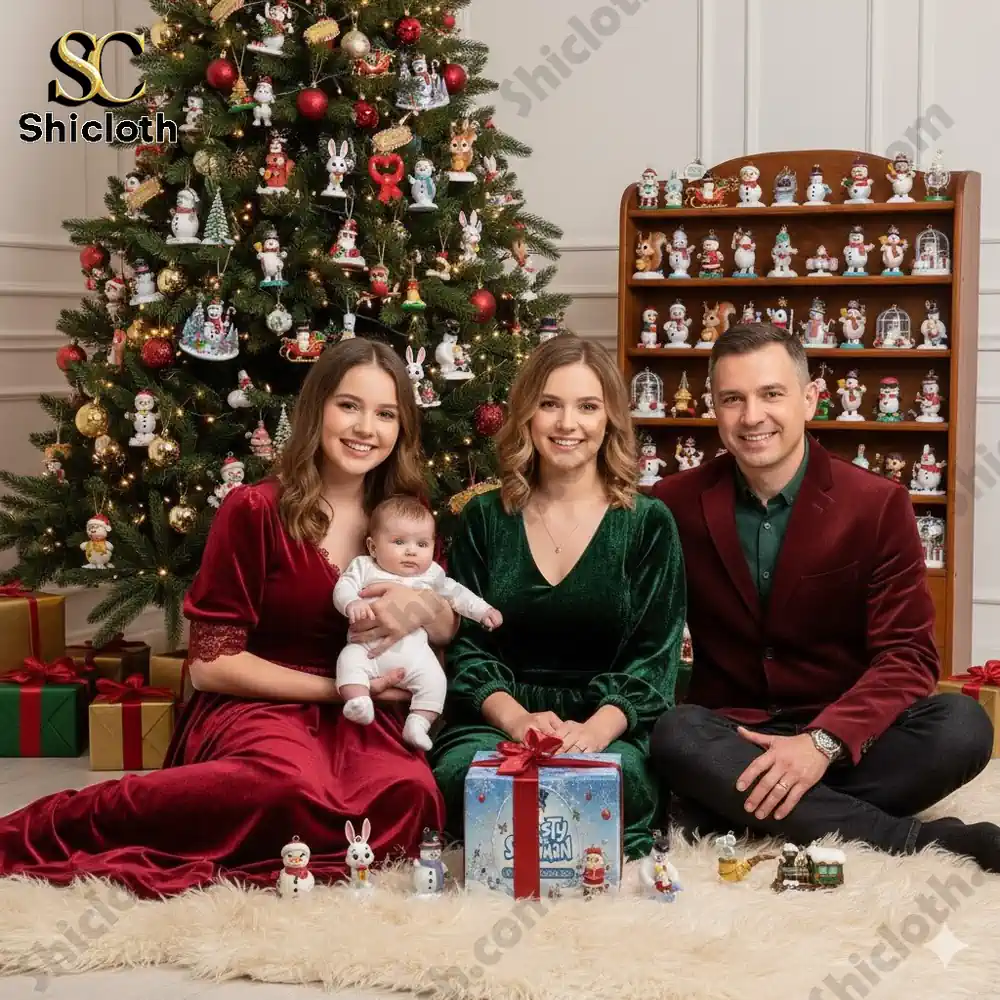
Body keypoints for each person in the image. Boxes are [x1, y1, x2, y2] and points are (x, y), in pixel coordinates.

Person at [0, 339, 455, 898]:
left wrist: (424, 608)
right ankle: (62, 824)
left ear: (402, 427)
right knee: (284, 787)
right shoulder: (255, 509)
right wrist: (337, 689)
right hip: (260, 704)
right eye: (349, 406)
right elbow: (211, 666)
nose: (366, 428)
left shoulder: (404, 519)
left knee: (409, 795)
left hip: (361, 716)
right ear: (317, 409)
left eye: (385, 414)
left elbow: (444, 624)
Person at [649, 323, 1000, 872]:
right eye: (733, 399)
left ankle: (736, 809)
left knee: (962, 726)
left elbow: (909, 655)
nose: (752, 416)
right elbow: (647, 632)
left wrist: (821, 743)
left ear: (810, 399)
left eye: (771, 393)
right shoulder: (672, 502)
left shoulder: (877, 503)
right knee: (675, 735)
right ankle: (911, 839)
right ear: (714, 407)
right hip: (734, 734)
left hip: (849, 740)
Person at [431, 335, 687, 859]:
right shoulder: (484, 518)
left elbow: (654, 659)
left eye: (587, 406)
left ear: (610, 419)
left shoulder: (648, 523)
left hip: (608, 724)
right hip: (498, 720)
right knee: (461, 777)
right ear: (527, 414)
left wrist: (592, 734)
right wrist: (517, 721)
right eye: (550, 404)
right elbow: (469, 650)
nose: (568, 424)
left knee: (620, 784)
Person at [333, 493, 503, 751]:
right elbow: (343, 586)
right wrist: (351, 603)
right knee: (348, 662)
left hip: (415, 657)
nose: (411, 551)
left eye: (422, 544)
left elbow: (457, 594)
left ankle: (418, 723)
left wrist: (483, 610)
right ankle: (359, 702)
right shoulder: (364, 566)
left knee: (436, 681)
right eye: (399, 542)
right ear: (373, 547)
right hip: (365, 649)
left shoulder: (432, 574)